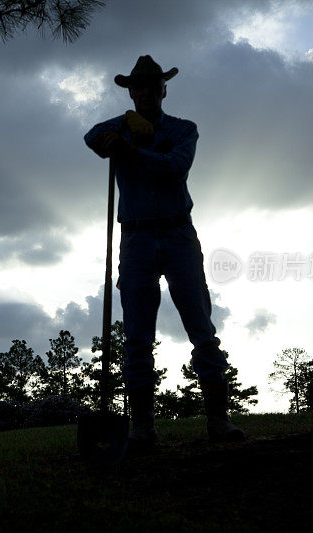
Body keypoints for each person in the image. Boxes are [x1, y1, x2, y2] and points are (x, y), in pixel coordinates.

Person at [84, 55, 245, 449]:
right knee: (137, 337)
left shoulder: (183, 129)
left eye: (151, 86)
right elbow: (91, 137)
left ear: (163, 90)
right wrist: (120, 128)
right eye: (137, 87)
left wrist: (128, 149)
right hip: (136, 239)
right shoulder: (121, 125)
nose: (145, 93)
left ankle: (218, 422)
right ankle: (142, 428)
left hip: (178, 235)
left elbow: (175, 166)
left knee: (202, 330)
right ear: (132, 92)